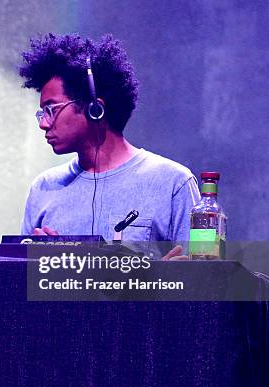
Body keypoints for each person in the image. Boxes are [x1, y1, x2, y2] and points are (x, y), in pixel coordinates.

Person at [18, 33, 200, 257]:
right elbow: (24, 288)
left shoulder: (173, 184)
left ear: (95, 108)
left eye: (51, 109)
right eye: (42, 113)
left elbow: (202, 283)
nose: (43, 124)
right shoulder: (43, 189)